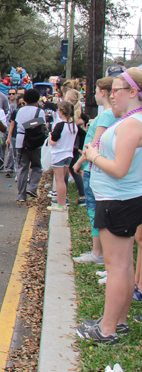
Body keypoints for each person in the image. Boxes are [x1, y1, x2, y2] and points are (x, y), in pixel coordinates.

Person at [75, 67, 142, 345]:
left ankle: (107, 329)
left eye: (117, 90)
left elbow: (119, 169)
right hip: (121, 199)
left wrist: (93, 155)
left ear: (134, 92)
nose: (111, 95)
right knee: (124, 266)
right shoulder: (129, 120)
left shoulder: (132, 123)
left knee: (118, 267)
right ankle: (119, 321)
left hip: (117, 200)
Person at [73, 77, 115, 265]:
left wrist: (79, 162)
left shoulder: (106, 116)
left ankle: (98, 252)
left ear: (103, 93)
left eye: (96, 91)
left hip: (92, 167)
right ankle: (99, 251)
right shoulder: (111, 114)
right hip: (95, 166)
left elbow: (94, 143)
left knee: (94, 210)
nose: (94, 95)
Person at [14, 89, 46, 202]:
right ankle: (32, 188)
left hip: (20, 140)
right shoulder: (39, 111)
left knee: (22, 168)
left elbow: (19, 123)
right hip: (35, 141)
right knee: (37, 166)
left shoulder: (20, 110)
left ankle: (21, 195)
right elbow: (42, 125)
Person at [47, 101, 77, 212]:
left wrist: (50, 136)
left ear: (61, 112)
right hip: (69, 153)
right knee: (64, 180)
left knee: (59, 180)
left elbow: (53, 142)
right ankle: (63, 202)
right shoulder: (73, 126)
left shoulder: (59, 126)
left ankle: (60, 204)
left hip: (59, 154)